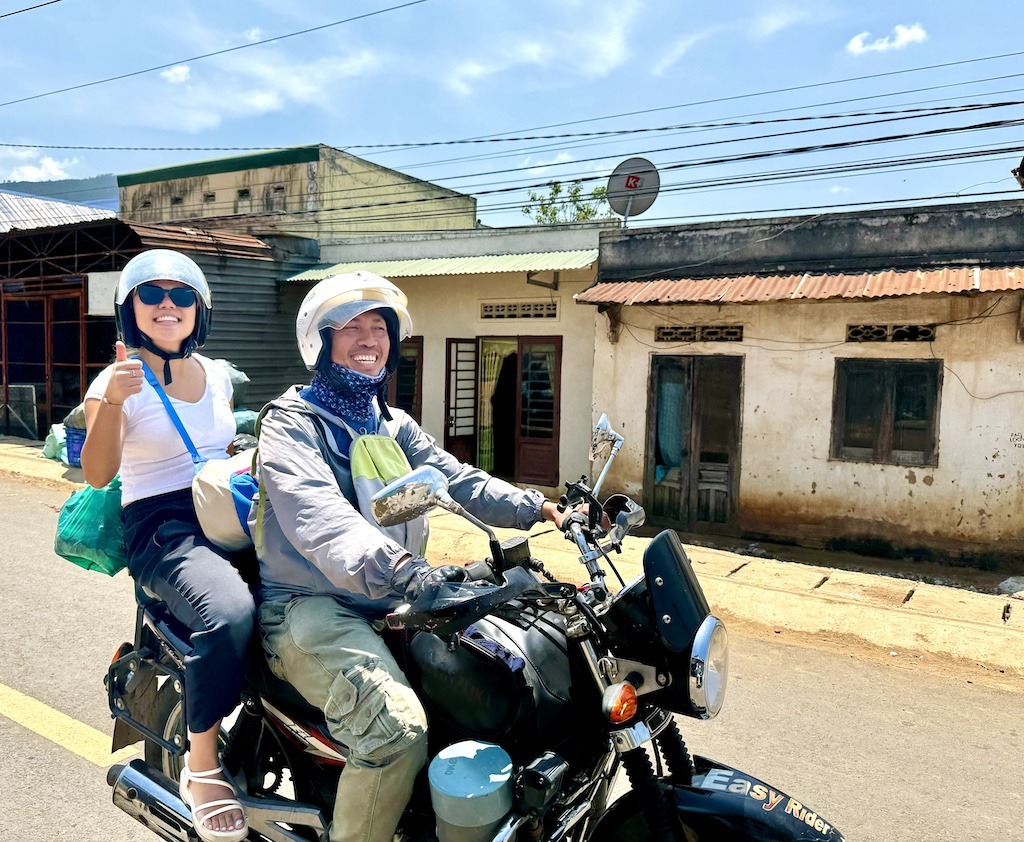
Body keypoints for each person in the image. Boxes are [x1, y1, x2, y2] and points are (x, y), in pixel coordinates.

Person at [255, 271, 569, 842]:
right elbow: (320, 517)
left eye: (380, 327)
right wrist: (408, 571)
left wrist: (538, 508)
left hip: (395, 598)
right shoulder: (291, 423)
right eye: (351, 327)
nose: (369, 338)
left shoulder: (392, 423)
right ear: (320, 341)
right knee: (393, 733)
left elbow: (454, 479)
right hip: (313, 606)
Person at [80, 249, 252, 842]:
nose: (167, 305)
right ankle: (201, 767)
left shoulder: (220, 375)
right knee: (228, 614)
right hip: (162, 525)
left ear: (199, 309)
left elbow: (219, 451)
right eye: (150, 295)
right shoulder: (116, 379)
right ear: (130, 309)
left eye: (181, 295)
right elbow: (98, 473)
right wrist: (116, 402)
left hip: (225, 509)